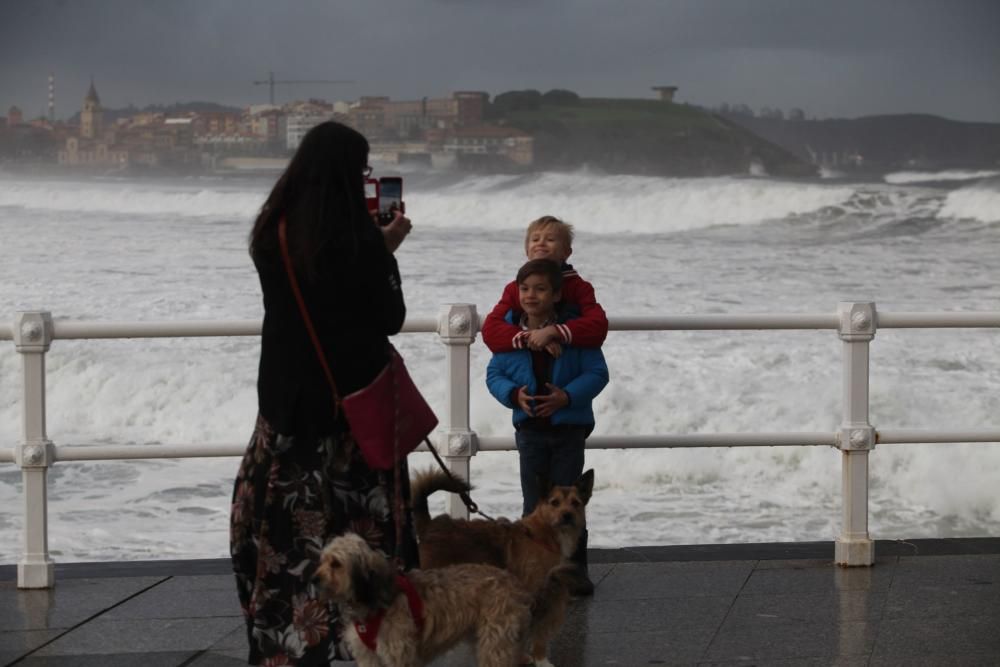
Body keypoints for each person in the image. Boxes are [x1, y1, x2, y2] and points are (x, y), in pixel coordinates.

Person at [230, 121, 417, 665]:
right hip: (350, 417)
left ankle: (282, 644)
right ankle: (365, 646)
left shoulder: (273, 232)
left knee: (283, 542)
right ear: (346, 175)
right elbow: (390, 317)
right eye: (360, 171)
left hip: (286, 411)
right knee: (362, 540)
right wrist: (388, 251)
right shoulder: (357, 241)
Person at [485, 258, 609, 596]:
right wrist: (514, 395)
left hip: (568, 429)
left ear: (557, 295)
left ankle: (574, 573)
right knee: (534, 504)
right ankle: (534, 573)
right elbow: (494, 375)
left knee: (571, 503)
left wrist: (567, 397)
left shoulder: (574, 332)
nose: (531, 295)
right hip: (530, 430)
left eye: (540, 289)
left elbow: (598, 374)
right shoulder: (510, 333)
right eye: (525, 289)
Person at [480, 215, 608, 357]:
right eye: (535, 239)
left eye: (550, 240)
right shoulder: (515, 289)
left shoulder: (579, 288)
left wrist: (553, 332)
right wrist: (531, 337)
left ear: (566, 252)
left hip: (568, 368)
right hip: (526, 372)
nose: (541, 243)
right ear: (527, 251)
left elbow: (598, 325)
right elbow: (491, 329)